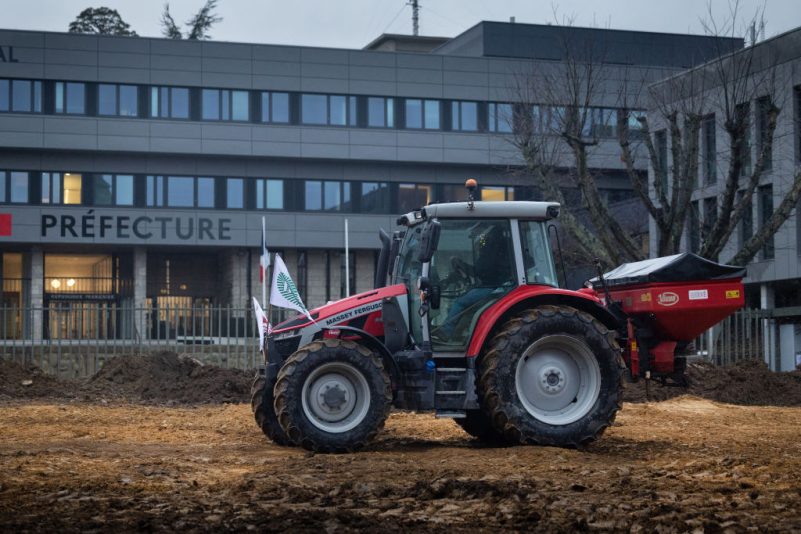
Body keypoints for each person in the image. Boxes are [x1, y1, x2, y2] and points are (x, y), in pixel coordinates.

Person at [436, 224, 514, 339]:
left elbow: (480, 270)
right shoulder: (497, 243)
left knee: (460, 302)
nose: (478, 238)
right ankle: (460, 335)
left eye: (479, 234)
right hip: (496, 284)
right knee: (465, 300)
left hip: (494, 287)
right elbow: (481, 270)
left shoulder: (490, 246)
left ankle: (446, 332)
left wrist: (461, 264)